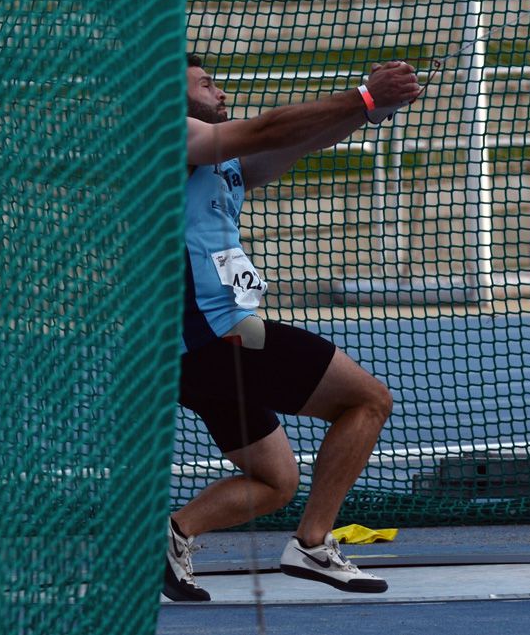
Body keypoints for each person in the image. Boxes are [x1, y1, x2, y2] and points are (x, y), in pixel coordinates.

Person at [163, 54, 421, 602]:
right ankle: (311, 544)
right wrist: (364, 96)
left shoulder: (219, 160)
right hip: (216, 335)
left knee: (275, 481)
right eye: (206, 84)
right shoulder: (165, 135)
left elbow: (289, 144)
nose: (220, 92)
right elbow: (268, 127)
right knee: (368, 401)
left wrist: (367, 117)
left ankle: (173, 534)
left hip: (197, 350)